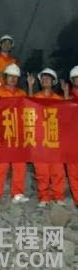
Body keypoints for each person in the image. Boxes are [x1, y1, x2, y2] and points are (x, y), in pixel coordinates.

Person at [0, 64, 29, 206]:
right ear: (5, 77)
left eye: (15, 77)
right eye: (10, 76)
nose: (13, 79)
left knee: (19, 165)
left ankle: (17, 193)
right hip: (3, 134)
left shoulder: (22, 94)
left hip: (18, 134)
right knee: (1, 165)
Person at [27, 68, 65, 207]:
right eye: (42, 79)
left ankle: (58, 196)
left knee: (57, 170)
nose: (45, 80)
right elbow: (28, 106)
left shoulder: (59, 99)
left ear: (53, 82)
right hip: (39, 139)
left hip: (54, 139)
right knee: (41, 170)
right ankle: (44, 197)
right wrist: (30, 87)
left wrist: (66, 93)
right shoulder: (36, 96)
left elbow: (67, 116)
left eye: (47, 78)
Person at [63, 66, 78, 208]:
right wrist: (66, 98)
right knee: (73, 171)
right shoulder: (66, 97)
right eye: (76, 78)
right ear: (72, 80)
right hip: (71, 141)